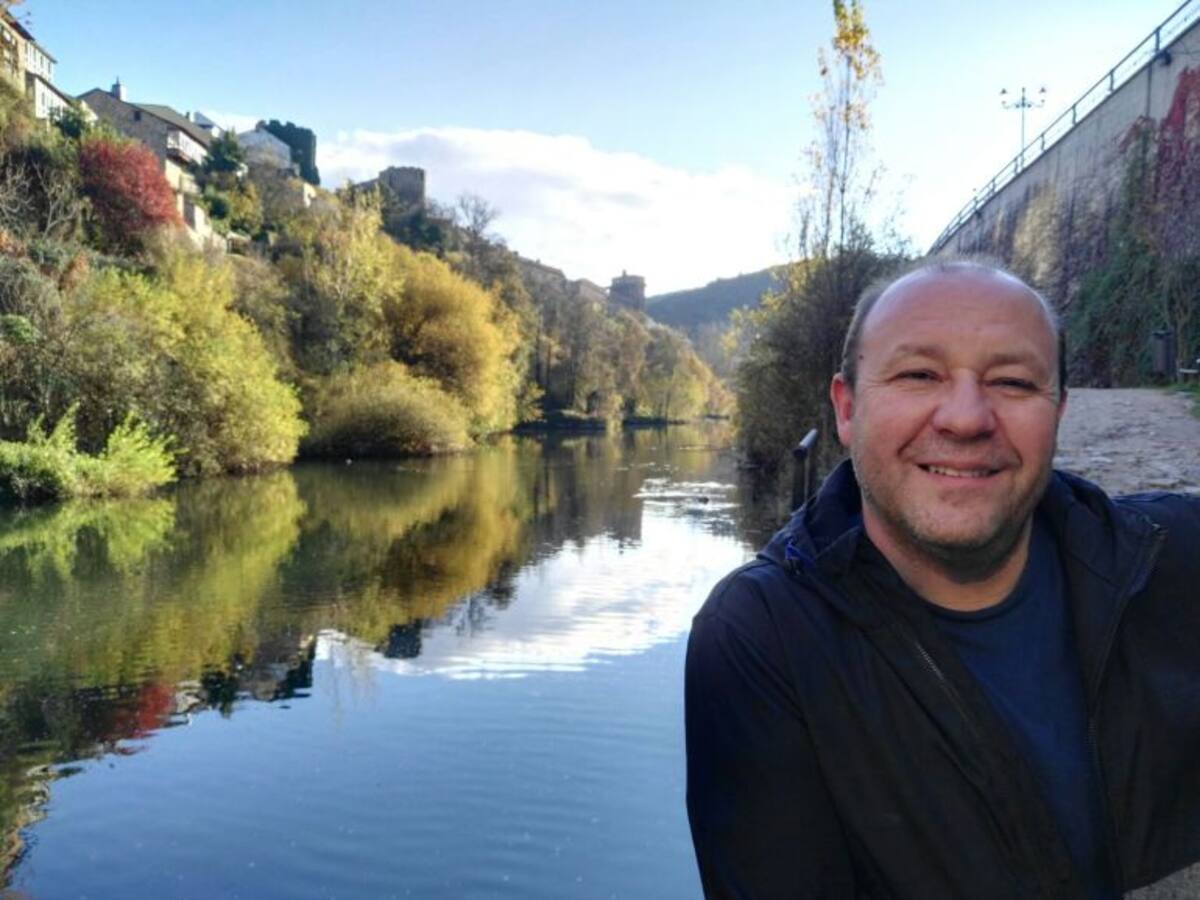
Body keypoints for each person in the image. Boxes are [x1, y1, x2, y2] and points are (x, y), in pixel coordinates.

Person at [685, 260, 1200, 900]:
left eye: (1013, 382)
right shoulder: (763, 640)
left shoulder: (1176, 558)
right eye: (919, 375)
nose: (965, 418)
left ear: (1058, 412)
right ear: (847, 409)